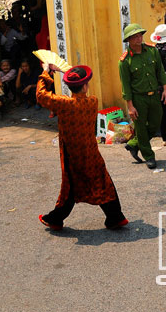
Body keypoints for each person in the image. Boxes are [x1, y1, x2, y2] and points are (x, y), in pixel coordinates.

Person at [37, 63, 128, 231]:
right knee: (103, 182)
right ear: (85, 86)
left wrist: (46, 72)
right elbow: (74, 106)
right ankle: (115, 216)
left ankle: (55, 219)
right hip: (91, 152)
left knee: (71, 188)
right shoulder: (92, 101)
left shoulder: (64, 104)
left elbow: (41, 95)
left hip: (73, 154)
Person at [119, 23, 166, 170]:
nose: (138, 38)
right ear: (128, 40)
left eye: (140, 35)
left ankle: (134, 144)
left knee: (156, 122)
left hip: (154, 94)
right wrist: (130, 106)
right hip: (138, 98)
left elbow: (160, 71)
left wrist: (165, 89)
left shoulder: (152, 51)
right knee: (141, 128)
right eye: (134, 37)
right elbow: (126, 85)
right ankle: (149, 156)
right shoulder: (124, 61)